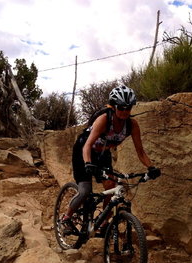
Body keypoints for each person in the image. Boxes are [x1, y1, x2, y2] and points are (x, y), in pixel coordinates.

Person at [61, 85, 160, 235]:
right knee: (85, 190)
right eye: (121, 107)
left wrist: (151, 167)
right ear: (113, 106)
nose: (125, 111)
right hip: (83, 151)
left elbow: (140, 152)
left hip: (103, 153)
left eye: (129, 108)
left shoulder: (132, 125)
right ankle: (66, 218)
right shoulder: (104, 119)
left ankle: (103, 222)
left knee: (111, 183)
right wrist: (88, 163)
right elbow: (87, 145)